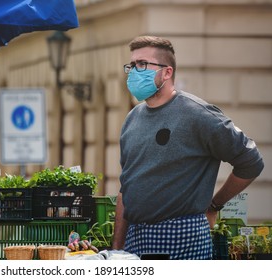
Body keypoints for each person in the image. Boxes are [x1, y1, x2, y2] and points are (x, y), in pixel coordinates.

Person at [112, 35, 264, 260]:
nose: (135, 71)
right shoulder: (132, 119)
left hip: (183, 235)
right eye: (132, 65)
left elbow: (251, 162)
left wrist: (214, 204)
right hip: (136, 238)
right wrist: (116, 248)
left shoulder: (197, 114)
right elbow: (127, 187)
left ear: (167, 72)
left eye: (143, 64)